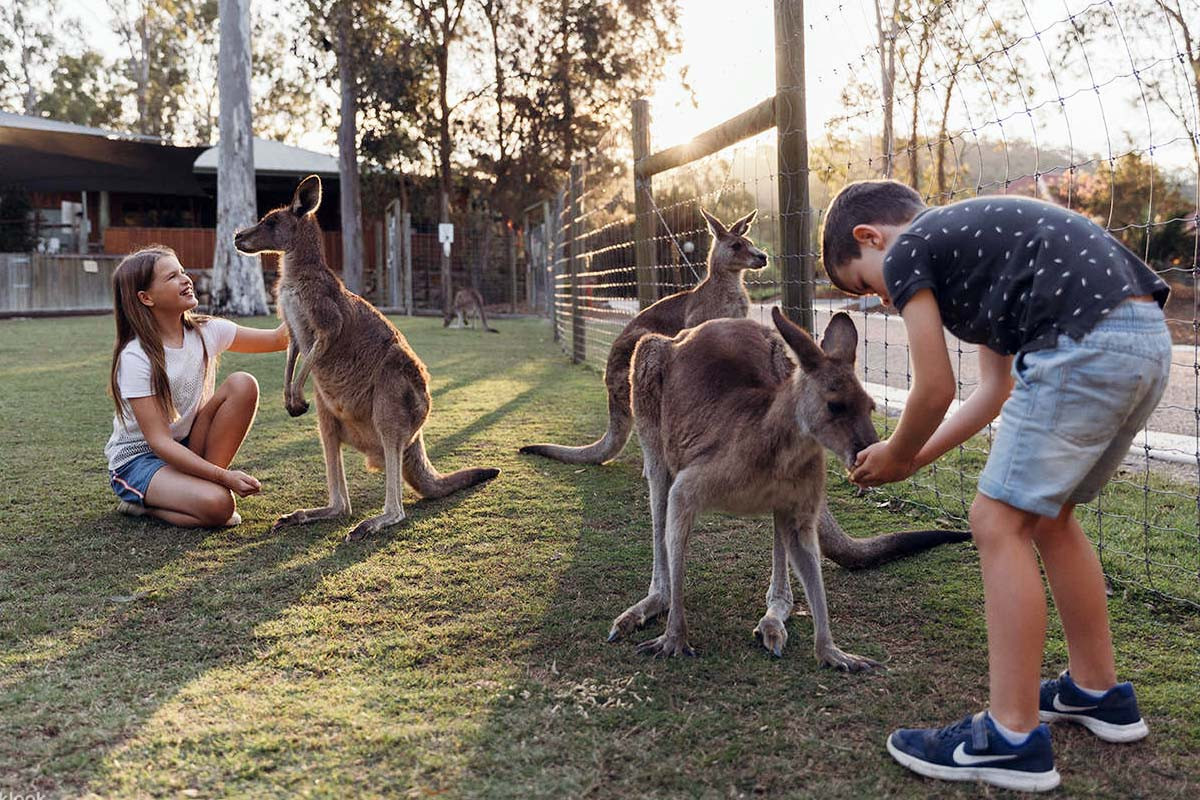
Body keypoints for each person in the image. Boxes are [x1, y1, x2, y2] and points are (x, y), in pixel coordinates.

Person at [822, 180, 1169, 792]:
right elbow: (993, 391)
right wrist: (911, 459)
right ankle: (1098, 691)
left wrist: (899, 451)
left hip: (1082, 344)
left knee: (996, 521)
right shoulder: (977, 253)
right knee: (1050, 515)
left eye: (865, 286)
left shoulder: (910, 251)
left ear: (870, 238)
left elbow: (933, 387)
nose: (882, 299)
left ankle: (1011, 737)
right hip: (1141, 338)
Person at [105, 245, 288, 528]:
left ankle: (199, 489)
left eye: (182, 271)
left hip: (188, 445)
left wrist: (308, 290)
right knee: (220, 506)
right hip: (140, 461)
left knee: (243, 384)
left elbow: (279, 339)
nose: (186, 279)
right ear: (146, 297)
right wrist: (223, 478)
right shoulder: (136, 356)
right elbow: (160, 442)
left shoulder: (207, 331)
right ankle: (141, 504)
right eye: (172, 277)